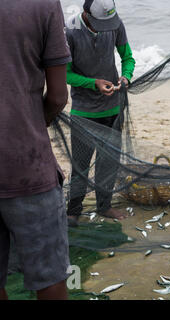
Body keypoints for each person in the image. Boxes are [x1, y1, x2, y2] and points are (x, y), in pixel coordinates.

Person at [0, 0, 71, 300]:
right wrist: (26, 124)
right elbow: (57, 96)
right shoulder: (42, 3)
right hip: (26, 168)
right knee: (49, 276)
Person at [65, 0, 136, 227]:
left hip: (113, 107)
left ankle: (104, 206)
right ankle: (73, 209)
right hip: (83, 111)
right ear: (86, 14)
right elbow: (65, 74)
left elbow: (128, 58)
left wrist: (126, 76)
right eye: (99, 24)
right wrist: (92, 83)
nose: (105, 28)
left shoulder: (114, 24)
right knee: (81, 164)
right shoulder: (70, 31)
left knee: (109, 161)